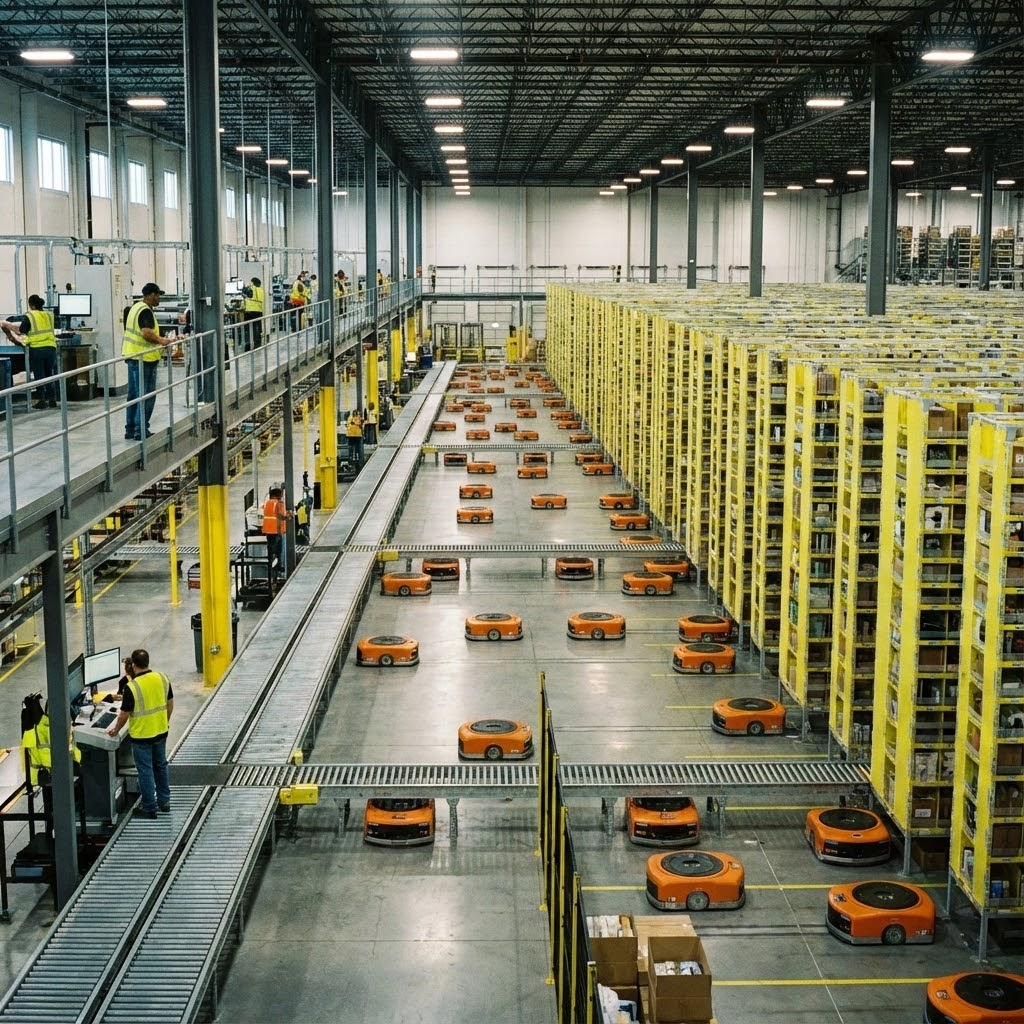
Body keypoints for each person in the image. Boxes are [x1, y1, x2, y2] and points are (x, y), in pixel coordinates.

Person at [106, 648, 173, 819]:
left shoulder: (132, 687)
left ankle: (149, 807)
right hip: (161, 731)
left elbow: (124, 715)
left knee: (145, 771)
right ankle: (164, 802)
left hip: (142, 736)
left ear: (134, 665)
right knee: (161, 766)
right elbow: (170, 703)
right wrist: (164, 721)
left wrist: (115, 730)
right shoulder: (162, 678)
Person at [122, 283, 169, 440]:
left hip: (133, 356)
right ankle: (140, 430)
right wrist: (162, 341)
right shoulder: (145, 310)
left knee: (134, 395)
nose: (159, 298)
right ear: (150, 295)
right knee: (146, 395)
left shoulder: (135, 308)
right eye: (157, 295)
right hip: (144, 359)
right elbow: (146, 333)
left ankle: (130, 428)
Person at [1, 294, 58, 409]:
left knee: (39, 375)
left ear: (31, 305)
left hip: (37, 349)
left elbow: (22, 330)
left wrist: (8, 325)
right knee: (49, 374)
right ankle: (52, 399)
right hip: (51, 348)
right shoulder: (49, 314)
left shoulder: (30, 316)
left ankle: (41, 400)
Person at [261, 486, 292, 578]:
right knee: (279, 551)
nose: (281, 497)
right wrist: (289, 516)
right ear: (277, 496)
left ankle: (271, 568)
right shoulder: (278, 503)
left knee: (271, 550)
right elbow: (281, 515)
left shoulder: (266, 503)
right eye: (281, 495)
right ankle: (279, 569)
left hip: (268, 530)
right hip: (276, 531)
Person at [240, 276, 264, 350]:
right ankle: (258, 344)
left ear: (253, 282)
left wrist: (246, 285)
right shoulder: (260, 289)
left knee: (248, 329)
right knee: (258, 327)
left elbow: (243, 291)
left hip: (250, 311)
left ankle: (248, 346)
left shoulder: (251, 288)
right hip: (259, 311)